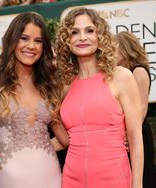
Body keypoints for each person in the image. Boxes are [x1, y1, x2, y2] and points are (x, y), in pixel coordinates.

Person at [0, 12, 68, 188]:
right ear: (12, 40)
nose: (31, 46)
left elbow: (64, 138)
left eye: (38, 41)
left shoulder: (49, 84)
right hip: (11, 178)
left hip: (49, 173)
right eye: (24, 38)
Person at [56, 7, 144, 188]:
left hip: (114, 178)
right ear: (67, 41)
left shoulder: (121, 77)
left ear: (100, 36)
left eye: (89, 30)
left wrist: (138, 184)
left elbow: (135, 139)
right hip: (72, 179)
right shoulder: (65, 85)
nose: (82, 37)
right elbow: (64, 137)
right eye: (74, 32)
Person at [115, 31, 155, 188]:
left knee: (141, 178)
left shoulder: (138, 70)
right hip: (127, 134)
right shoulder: (121, 74)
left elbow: (142, 108)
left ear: (125, 50)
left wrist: (129, 133)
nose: (110, 53)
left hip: (136, 135)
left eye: (114, 49)